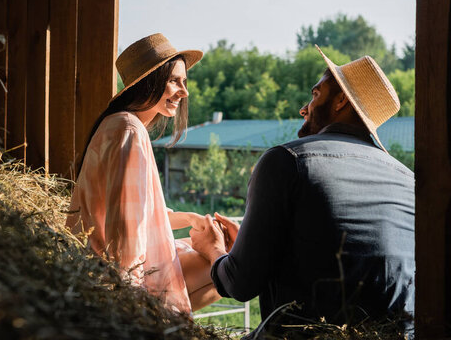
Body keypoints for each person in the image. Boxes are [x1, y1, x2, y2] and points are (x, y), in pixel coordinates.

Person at [190, 46, 415, 334]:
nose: (304, 108)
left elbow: (240, 283)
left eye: (316, 94)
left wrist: (214, 250)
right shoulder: (409, 181)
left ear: (341, 102)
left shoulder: (287, 161)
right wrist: (250, 244)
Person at [66, 33, 221, 314]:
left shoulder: (119, 125)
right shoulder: (129, 131)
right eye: (174, 81)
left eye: (184, 82)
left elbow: (140, 213)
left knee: (216, 252)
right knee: (224, 264)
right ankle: (155, 321)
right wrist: (129, 296)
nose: (184, 91)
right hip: (112, 278)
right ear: (149, 82)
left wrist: (189, 218)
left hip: (94, 266)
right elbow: (125, 225)